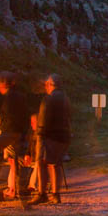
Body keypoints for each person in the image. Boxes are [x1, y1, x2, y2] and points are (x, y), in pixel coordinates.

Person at [0, 71, 31, 200]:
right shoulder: (19, 96)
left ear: (4, 83)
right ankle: (14, 190)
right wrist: (2, 119)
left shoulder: (11, 97)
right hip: (18, 132)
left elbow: (13, 117)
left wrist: (3, 125)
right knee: (13, 161)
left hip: (9, 132)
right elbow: (20, 115)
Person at [29, 74, 71, 205]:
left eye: (46, 84)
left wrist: (39, 134)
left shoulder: (48, 99)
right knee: (56, 164)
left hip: (48, 136)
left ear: (49, 85)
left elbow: (43, 119)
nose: (45, 87)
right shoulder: (66, 99)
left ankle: (42, 193)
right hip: (63, 136)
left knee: (41, 162)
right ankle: (55, 194)